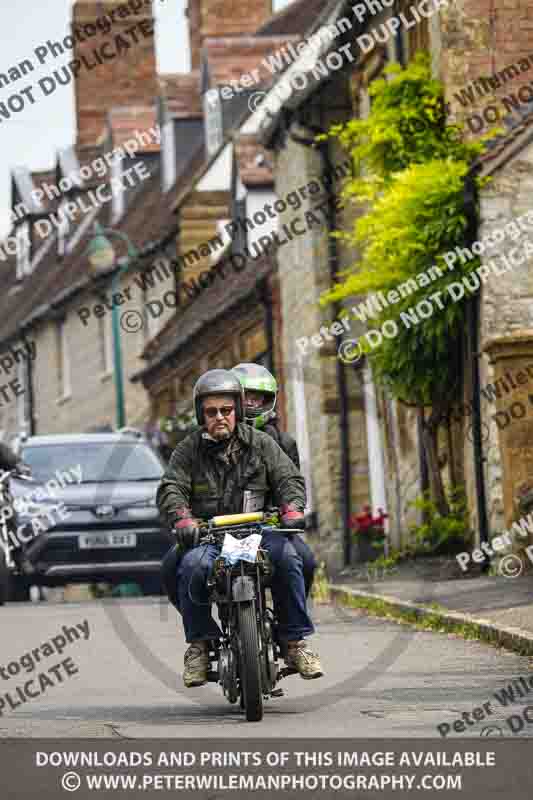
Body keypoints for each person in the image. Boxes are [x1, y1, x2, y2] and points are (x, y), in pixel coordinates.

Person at [156, 369, 323, 688]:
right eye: (211, 412)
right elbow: (171, 487)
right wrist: (182, 517)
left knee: (290, 559)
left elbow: (288, 478)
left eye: (226, 410)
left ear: (237, 410)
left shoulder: (263, 443)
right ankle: (200, 646)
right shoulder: (188, 450)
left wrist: (292, 508)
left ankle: (293, 643)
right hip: (210, 537)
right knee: (189, 567)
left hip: (260, 531)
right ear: (201, 415)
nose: (220, 417)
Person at [230, 363, 316, 596]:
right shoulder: (215, 439)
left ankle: (287, 615)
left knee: (306, 562)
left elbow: (291, 484)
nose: (251, 404)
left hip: (270, 528)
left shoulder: (284, 443)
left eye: (257, 398)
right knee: (177, 567)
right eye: (246, 397)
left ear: (268, 401)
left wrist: (291, 510)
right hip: (224, 529)